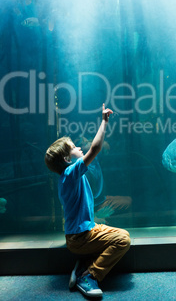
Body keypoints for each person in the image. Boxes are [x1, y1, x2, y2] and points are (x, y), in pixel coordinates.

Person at [44, 104, 131, 298]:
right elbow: (96, 148)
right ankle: (90, 275)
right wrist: (104, 121)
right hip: (80, 238)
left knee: (119, 233)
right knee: (122, 240)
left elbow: (94, 156)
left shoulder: (69, 175)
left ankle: (83, 264)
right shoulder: (70, 173)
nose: (79, 147)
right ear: (67, 158)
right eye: (75, 148)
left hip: (86, 231)